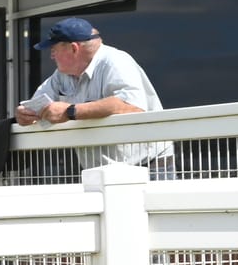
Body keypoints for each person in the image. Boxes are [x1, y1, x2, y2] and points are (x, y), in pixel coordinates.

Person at [14, 16, 170, 170]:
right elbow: (36, 104)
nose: (51, 56)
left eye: (54, 50)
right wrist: (26, 115)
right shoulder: (61, 75)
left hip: (149, 167)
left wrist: (69, 111)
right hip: (103, 171)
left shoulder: (115, 61)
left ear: (74, 48)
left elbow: (131, 105)